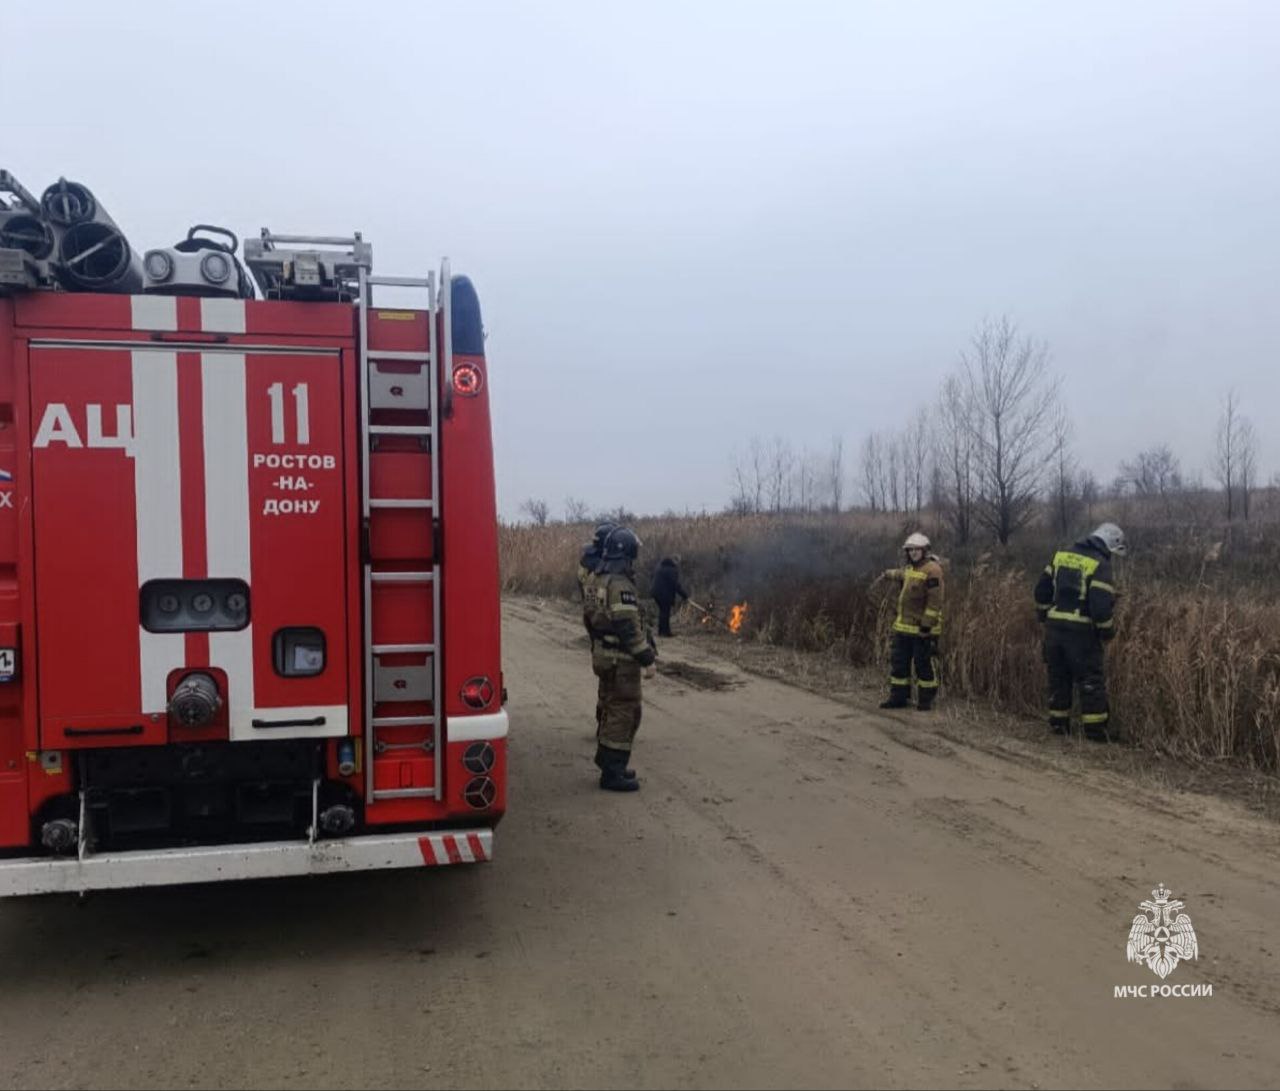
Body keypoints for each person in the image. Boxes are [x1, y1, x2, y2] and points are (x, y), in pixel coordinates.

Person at [1034, 522, 1124, 742]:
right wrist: (1107, 632)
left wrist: (1045, 615)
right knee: (1090, 681)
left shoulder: (1061, 555)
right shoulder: (1100, 564)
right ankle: (1095, 734)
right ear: (1108, 545)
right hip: (1081, 634)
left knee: (1058, 678)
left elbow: (1041, 590)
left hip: (1054, 630)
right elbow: (1100, 607)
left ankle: (1058, 726)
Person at [586, 527, 657, 791]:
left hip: (603, 656)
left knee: (609, 707)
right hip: (620, 661)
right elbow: (627, 626)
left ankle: (609, 764)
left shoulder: (597, 579)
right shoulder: (620, 584)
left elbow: (589, 617)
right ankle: (612, 773)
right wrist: (647, 658)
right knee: (625, 712)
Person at [879, 532, 945, 711]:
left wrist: (926, 626)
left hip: (923, 629)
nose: (913, 553)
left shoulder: (933, 570)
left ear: (924, 550)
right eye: (910, 550)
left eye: (917, 549)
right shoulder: (910, 568)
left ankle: (926, 700)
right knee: (899, 663)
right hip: (904, 628)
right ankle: (898, 697)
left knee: (923, 664)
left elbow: (934, 602)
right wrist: (886, 574)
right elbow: (901, 574)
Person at [649, 554, 690, 637]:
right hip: (663, 594)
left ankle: (661, 631)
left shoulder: (660, 568)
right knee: (665, 612)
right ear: (675, 561)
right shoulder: (672, 570)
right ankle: (666, 632)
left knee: (662, 612)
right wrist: (684, 595)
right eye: (677, 561)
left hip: (655, 593)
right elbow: (675, 584)